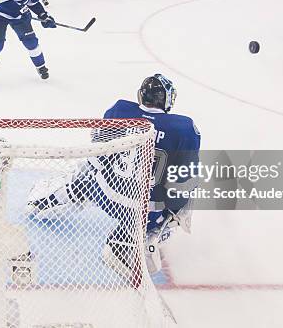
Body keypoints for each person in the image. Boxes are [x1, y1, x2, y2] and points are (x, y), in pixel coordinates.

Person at [27, 74, 201, 278]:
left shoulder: (120, 110)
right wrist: (170, 210)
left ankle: (45, 200)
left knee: (89, 170)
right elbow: (182, 183)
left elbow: (97, 155)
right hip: (143, 210)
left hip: (105, 195)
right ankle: (138, 236)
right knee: (192, 183)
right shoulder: (184, 128)